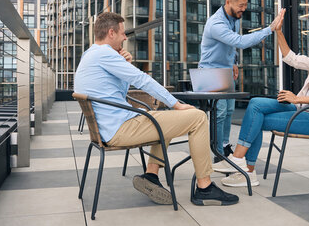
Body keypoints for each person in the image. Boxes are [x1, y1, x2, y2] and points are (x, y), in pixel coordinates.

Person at [74, 12, 239, 206]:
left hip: (108, 128)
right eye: (122, 33)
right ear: (111, 33)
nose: (125, 37)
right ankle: (205, 187)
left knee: (165, 120)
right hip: (120, 129)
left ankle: (151, 175)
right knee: (198, 117)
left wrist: (125, 64)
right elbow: (141, 80)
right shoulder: (105, 54)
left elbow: (119, 91)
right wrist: (175, 103)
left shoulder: (90, 54)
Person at [213, 17, 309, 187]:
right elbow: (292, 59)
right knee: (256, 104)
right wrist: (279, 31)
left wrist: (297, 98)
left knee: (257, 120)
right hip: (301, 109)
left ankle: (244, 167)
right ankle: (242, 164)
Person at [199, 0, 285, 164]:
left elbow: (230, 45)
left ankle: (223, 144)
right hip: (210, 72)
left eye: (245, 5)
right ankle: (216, 150)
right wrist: (269, 29)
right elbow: (238, 41)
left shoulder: (234, 18)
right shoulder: (216, 23)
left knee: (229, 110)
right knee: (220, 112)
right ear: (228, 2)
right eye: (241, 5)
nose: (244, 9)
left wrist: (234, 62)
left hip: (225, 70)